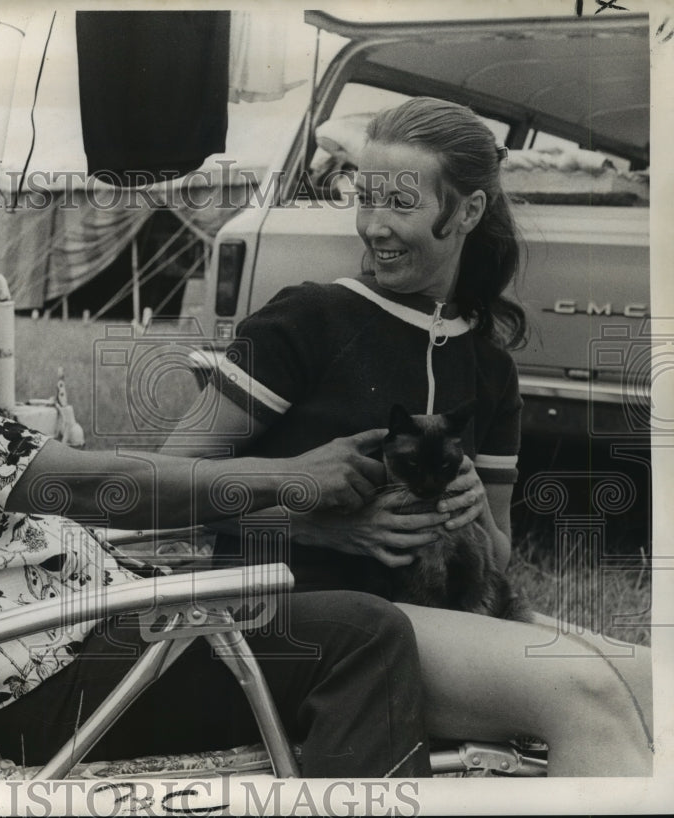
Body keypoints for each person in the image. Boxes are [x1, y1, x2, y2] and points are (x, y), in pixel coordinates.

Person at [0, 104, 430, 778]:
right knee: (364, 637)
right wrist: (292, 477)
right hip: (54, 682)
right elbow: (92, 489)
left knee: (337, 612)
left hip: (80, 635)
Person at [162, 97, 654, 776]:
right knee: (586, 692)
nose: (374, 226)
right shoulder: (307, 321)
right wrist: (322, 526)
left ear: (468, 214)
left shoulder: (488, 368)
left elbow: (501, 554)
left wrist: (475, 514)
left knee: (658, 682)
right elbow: (157, 489)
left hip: (434, 618)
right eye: (364, 199)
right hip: (299, 618)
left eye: (399, 204)